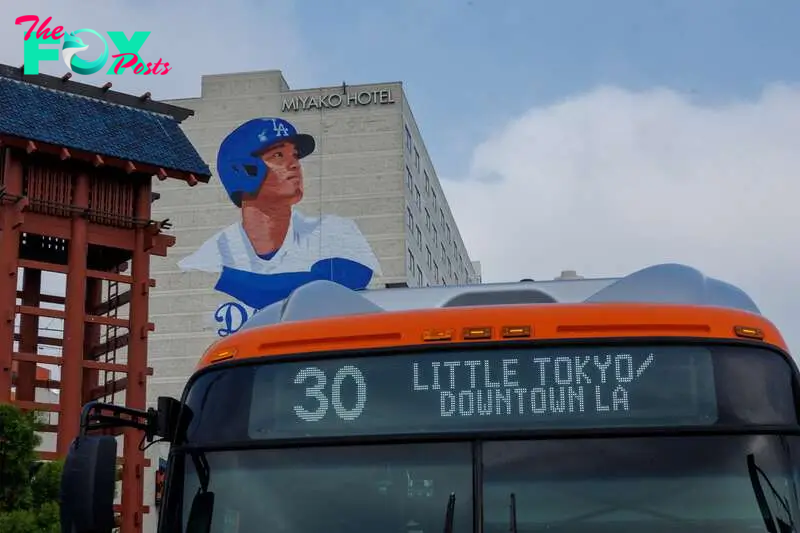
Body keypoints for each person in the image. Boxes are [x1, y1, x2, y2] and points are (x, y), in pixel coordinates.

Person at [179, 117, 381, 310]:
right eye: (278, 155)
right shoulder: (213, 253)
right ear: (241, 170)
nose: (294, 164)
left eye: (294, 155)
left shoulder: (332, 229)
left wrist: (226, 279)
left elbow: (342, 281)